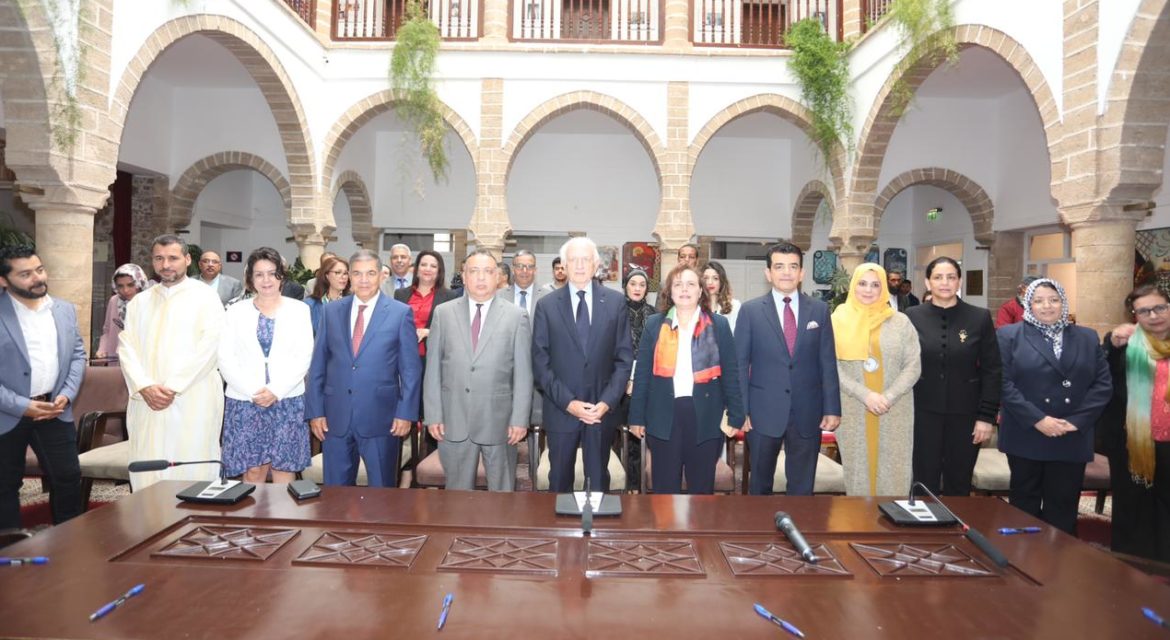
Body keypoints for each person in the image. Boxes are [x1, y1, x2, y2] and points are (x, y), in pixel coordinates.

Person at [997, 278, 1111, 534]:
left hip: (1070, 435)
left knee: (1063, 508)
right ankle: (1023, 565)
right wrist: (1038, 420)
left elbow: (1102, 385)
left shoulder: (1087, 337)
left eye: (1053, 299)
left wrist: (1076, 421)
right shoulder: (1008, 335)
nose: (1046, 306)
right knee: (1023, 508)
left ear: (1063, 302)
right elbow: (1002, 383)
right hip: (1027, 433)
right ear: (1028, 304)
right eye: (1038, 301)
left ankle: (1060, 568)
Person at [305, 249, 422, 487]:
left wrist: (405, 413)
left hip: (382, 419)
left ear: (381, 276)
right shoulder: (331, 311)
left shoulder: (400, 313)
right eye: (357, 274)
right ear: (349, 276)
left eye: (370, 273)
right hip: (335, 418)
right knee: (335, 494)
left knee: (382, 494)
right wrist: (315, 411)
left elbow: (410, 370)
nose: (364, 280)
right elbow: (318, 365)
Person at [118, 235, 226, 491]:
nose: (166, 264)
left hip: (191, 397)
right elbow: (126, 346)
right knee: (148, 465)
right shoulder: (140, 302)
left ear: (187, 260)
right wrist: (145, 386)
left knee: (191, 464)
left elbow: (210, 347)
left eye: (173, 258)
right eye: (159, 258)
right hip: (147, 400)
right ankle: (148, 528)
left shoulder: (206, 297)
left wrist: (173, 387)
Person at [735, 242, 841, 496]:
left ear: (801, 273)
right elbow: (739, 363)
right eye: (779, 267)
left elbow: (827, 361)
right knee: (759, 484)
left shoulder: (819, 310)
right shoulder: (750, 311)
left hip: (808, 411)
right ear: (768, 273)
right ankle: (760, 533)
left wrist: (832, 407)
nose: (786, 273)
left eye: (793, 266)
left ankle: (798, 533)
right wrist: (741, 410)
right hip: (762, 412)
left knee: (802, 487)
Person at [628, 264, 744, 494]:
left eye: (691, 284)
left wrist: (736, 415)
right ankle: (667, 531)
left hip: (705, 415)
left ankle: (698, 531)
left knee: (701, 490)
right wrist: (636, 417)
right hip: (663, 416)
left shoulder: (718, 325)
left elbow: (731, 373)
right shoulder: (654, 324)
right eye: (678, 284)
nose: (684, 289)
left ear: (701, 291)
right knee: (664, 490)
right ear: (669, 292)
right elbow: (642, 375)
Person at [423, 251, 533, 491]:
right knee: (456, 500)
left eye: (488, 271)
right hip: (453, 420)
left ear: (499, 277)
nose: (481, 278)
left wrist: (519, 419)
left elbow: (524, 374)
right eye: (474, 271)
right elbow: (432, 369)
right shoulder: (444, 313)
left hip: (500, 423)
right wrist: (433, 415)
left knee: (502, 499)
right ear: (464, 276)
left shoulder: (516, 316)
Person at [532, 237, 633, 492]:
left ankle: (598, 531)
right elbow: (540, 364)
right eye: (573, 260)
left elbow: (623, 359)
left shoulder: (615, 302)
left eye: (585, 259)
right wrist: (569, 403)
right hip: (561, 410)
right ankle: (560, 532)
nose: (579, 265)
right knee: (559, 483)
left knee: (599, 481)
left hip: (601, 411)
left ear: (596, 264)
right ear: (563, 266)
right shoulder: (546, 306)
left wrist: (607, 402)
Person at [0, 246, 87, 530]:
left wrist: (66, 395)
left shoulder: (63, 309)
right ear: (4, 280)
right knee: (5, 485)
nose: (37, 278)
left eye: (39, 269)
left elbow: (77, 355)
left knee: (67, 478)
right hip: (7, 414)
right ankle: (10, 554)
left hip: (54, 410)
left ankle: (68, 545)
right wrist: (21, 405)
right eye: (25, 274)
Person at [905, 257, 1001, 496]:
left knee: (959, 481)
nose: (945, 282)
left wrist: (986, 417)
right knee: (922, 479)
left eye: (951, 277)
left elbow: (992, 370)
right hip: (922, 413)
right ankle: (923, 530)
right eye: (938, 277)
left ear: (960, 281)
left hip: (966, 416)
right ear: (928, 282)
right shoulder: (910, 316)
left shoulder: (979, 317)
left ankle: (957, 530)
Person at [218, 248, 314, 485]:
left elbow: (303, 355)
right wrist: (254, 391)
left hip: (287, 400)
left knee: (284, 469)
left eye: (272, 273)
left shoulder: (299, 310)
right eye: (259, 274)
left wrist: (276, 391)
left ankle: (285, 522)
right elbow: (225, 357)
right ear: (250, 279)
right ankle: (251, 522)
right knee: (253, 471)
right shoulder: (235, 311)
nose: (266, 280)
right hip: (245, 401)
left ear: (282, 276)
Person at [830, 263, 922, 496]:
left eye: (875, 284)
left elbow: (913, 366)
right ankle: (858, 527)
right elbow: (831, 366)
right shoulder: (837, 321)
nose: (868, 290)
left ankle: (892, 527)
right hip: (854, 407)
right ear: (853, 286)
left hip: (895, 408)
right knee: (858, 470)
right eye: (862, 283)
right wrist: (866, 395)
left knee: (894, 471)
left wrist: (887, 397)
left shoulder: (900, 322)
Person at [1099, 284, 1170, 561]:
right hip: (1132, 442)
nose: (1153, 315)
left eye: (1159, 308)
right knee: (1133, 503)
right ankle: (1132, 563)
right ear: (1134, 315)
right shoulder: (1123, 344)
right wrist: (1111, 345)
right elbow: (1100, 378)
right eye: (1144, 311)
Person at [395, 250, 458, 427]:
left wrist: (429, 332)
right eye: (423, 264)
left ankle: (430, 453)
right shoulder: (400, 294)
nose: (427, 269)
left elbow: (453, 330)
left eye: (433, 266)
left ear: (439, 271)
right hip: (404, 360)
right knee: (404, 409)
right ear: (416, 268)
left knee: (430, 411)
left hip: (432, 360)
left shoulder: (449, 296)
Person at [621, 269, 656, 476]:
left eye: (642, 285)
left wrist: (639, 379)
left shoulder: (655, 314)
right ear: (625, 286)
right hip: (620, 382)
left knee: (640, 433)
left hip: (647, 382)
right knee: (618, 434)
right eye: (633, 284)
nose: (637, 288)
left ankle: (637, 482)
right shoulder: (615, 311)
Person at [95, 263, 148, 359]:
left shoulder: (150, 302)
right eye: (120, 286)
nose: (126, 290)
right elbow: (107, 330)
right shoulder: (114, 301)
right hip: (116, 358)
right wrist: (102, 349)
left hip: (142, 359)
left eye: (130, 285)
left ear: (140, 282)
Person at [305, 255, 350, 334]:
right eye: (338, 272)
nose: (343, 277)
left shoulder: (353, 303)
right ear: (327, 275)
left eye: (345, 273)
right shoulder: (309, 305)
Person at [500, 250, 541, 317]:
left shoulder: (546, 297)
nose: (524, 271)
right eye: (519, 266)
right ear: (513, 270)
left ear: (535, 270)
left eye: (529, 267)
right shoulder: (499, 296)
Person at [702, 260, 740, 333]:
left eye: (715, 278)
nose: (710, 282)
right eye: (706, 278)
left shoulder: (734, 305)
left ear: (721, 282)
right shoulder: (694, 306)